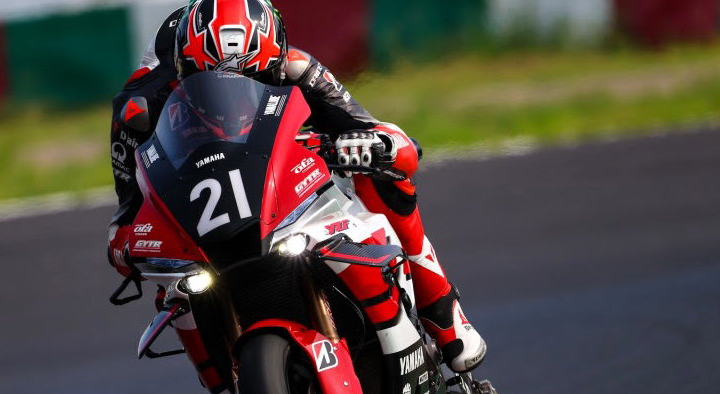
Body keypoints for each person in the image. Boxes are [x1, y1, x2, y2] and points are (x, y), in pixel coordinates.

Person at [107, 0, 486, 374]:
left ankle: (441, 307)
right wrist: (130, 246)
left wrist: (375, 146)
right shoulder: (141, 105)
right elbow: (125, 220)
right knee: (174, 289)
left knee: (383, 172)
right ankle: (228, 387)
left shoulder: (296, 67)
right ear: (183, 70)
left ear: (274, 64)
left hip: (280, 178)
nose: (230, 101)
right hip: (204, 207)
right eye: (210, 86)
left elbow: (391, 142)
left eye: (251, 83)